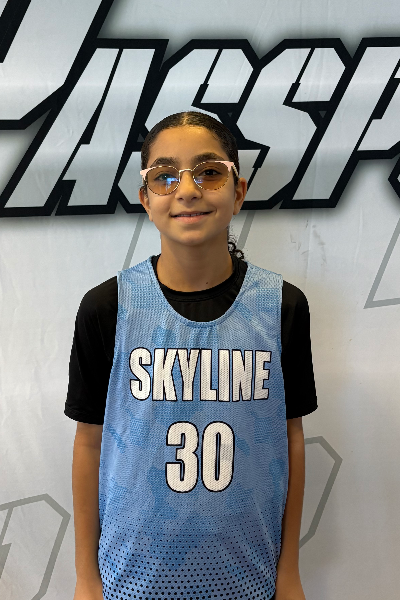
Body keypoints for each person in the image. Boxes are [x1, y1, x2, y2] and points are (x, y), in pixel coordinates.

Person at [65, 111, 318, 600]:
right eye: (165, 176)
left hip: (249, 578)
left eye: (209, 172)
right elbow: (89, 444)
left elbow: (290, 439)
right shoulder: (107, 308)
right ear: (145, 197)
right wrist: (85, 578)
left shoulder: (283, 306)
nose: (187, 190)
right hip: (129, 580)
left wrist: (289, 572)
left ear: (238, 191)